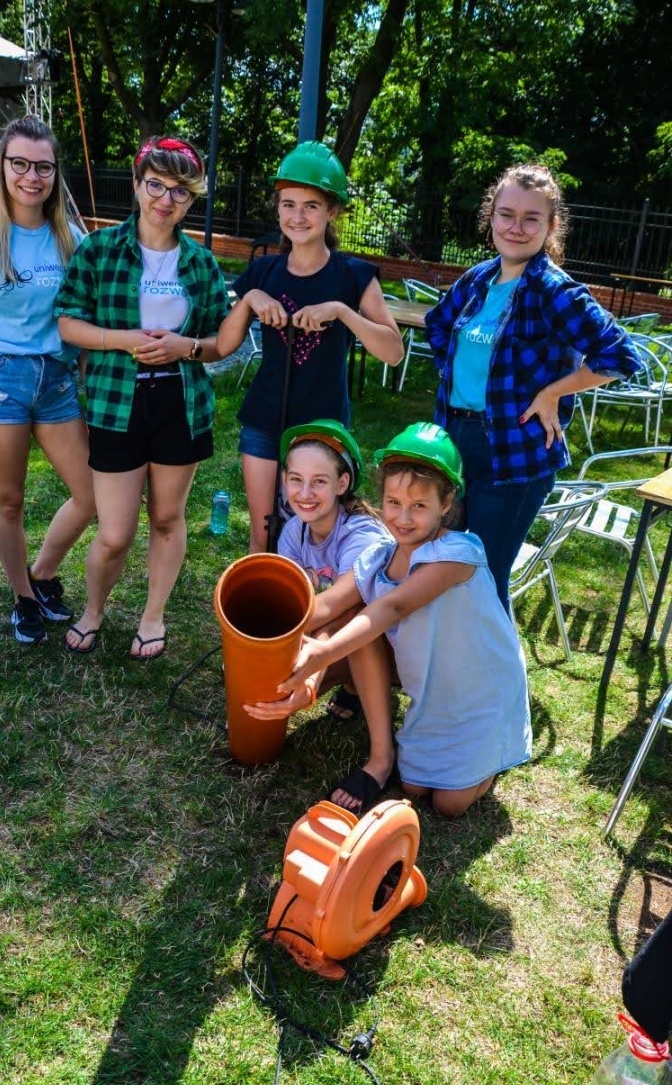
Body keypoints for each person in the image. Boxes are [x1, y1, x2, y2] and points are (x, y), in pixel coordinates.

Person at [246, 422, 532, 818]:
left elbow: (391, 608)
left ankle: (496, 752)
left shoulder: (458, 554)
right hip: (430, 685)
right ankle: (382, 760)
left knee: (449, 806)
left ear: (446, 505)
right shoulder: (379, 557)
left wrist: (323, 652)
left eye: (419, 506)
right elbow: (328, 605)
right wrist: (259, 623)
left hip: (480, 692)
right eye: (393, 502)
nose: (403, 517)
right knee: (414, 787)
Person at [424, 162, 642, 610]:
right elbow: (438, 325)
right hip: (452, 442)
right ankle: (447, 668)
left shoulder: (553, 290)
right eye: (506, 214)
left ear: (552, 225)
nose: (516, 227)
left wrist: (553, 392)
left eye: (531, 219)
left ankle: (499, 680)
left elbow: (620, 355)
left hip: (516, 453)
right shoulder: (479, 279)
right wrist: (457, 379)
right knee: (441, 565)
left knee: (483, 579)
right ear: (491, 217)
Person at [55, 134, 230, 657]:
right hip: (115, 401)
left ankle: (152, 617)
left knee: (167, 519)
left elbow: (220, 342)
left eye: (180, 191)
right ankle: (93, 610)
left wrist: (186, 347)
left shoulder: (201, 264)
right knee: (114, 533)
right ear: (136, 185)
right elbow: (67, 321)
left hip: (180, 403)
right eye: (155, 184)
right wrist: (121, 340)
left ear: (191, 200)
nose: (166, 199)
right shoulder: (100, 250)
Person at [0, 114, 95, 645]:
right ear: (1, 166)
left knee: (91, 494)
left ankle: (43, 574)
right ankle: (23, 599)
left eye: (43, 167)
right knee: (9, 500)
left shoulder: (71, 237)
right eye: (21, 164)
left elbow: (82, 321)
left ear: (55, 173)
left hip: (54, 378)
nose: (32, 177)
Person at [216, 141, 404, 553]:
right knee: (263, 531)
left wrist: (342, 312)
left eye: (311, 206)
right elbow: (224, 346)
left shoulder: (353, 275)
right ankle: (259, 614)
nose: (297, 217)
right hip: (264, 421)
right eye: (288, 204)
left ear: (332, 210)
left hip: (323, 428)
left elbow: (393, 351)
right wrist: (248, 300)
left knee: (316, 531)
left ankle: (311, 611)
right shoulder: (262, 271)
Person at [277, 418, 391, 722]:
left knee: (350, 609)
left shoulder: (363, 534)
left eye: (319, 481)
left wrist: (265, 636)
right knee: (273, 680)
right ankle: (338, 680)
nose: (305, 493)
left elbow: (340, 602)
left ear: (342, 483)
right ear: (284, 479)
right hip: (330, 631)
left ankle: (357, 684)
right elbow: (290, 598)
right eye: (296, 479)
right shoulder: (293, 531)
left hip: (386, 644)